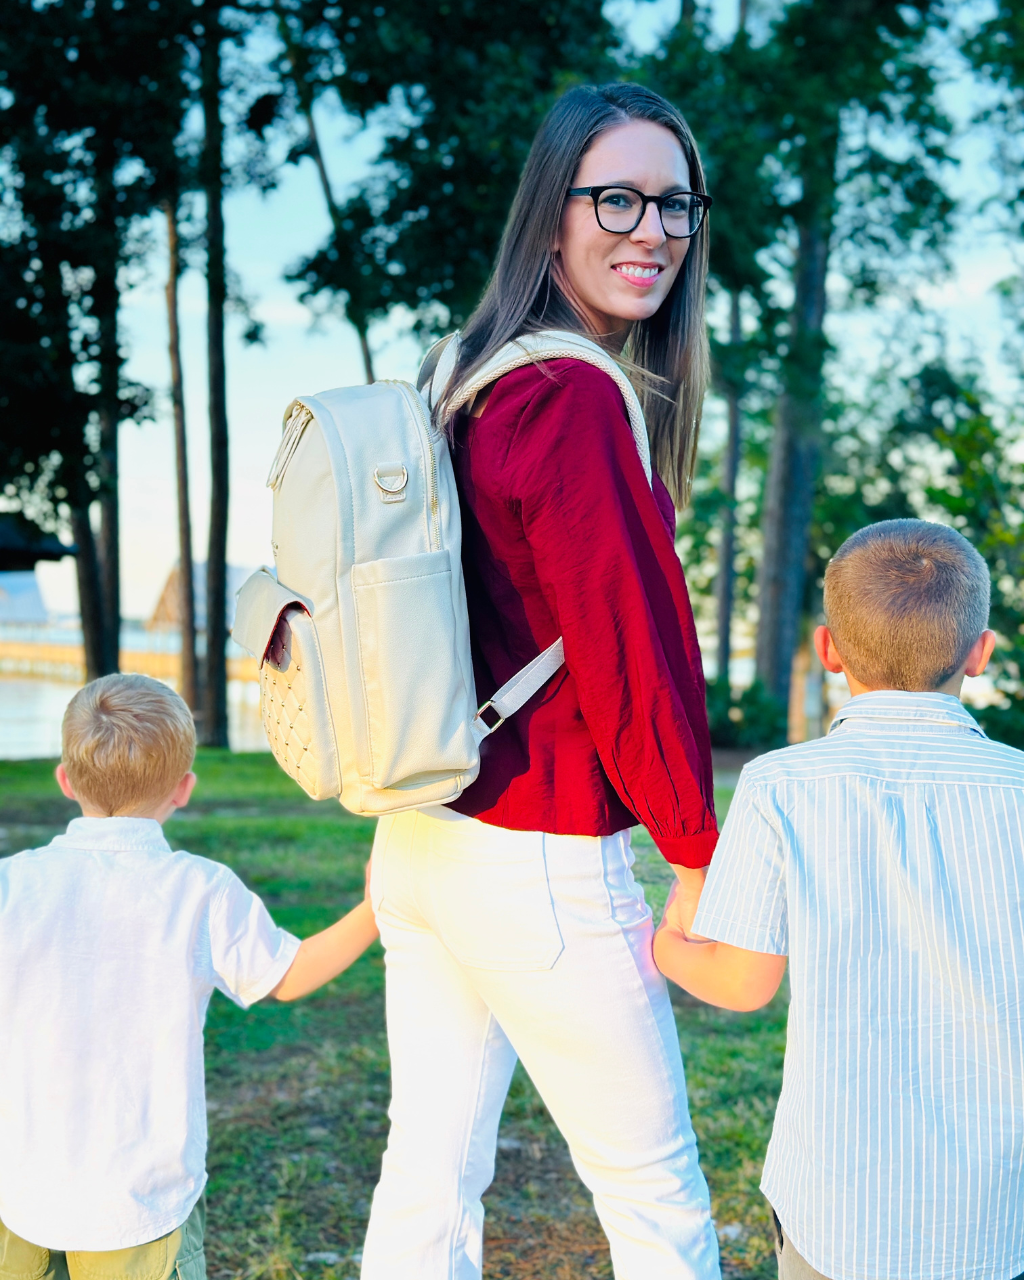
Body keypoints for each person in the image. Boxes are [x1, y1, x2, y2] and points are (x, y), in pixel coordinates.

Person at [362, 83, 720, 1280]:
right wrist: (696, 853)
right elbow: (629, 651)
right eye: (616, 198)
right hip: (541, 854)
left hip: (423, 833)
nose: (653, 229)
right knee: (655, 1193)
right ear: (550, 213)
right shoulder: (569, 396)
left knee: (428, 1172)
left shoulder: (463, 372)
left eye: (675, 203)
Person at [655, 518, 1024, 1280]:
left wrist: (667, 942)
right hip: (999, 1207)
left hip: (838, 1206)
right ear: (980, 653)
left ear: (828, 649)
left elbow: (742, 983)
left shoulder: (780, 786)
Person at [0, 673, 378, 1280]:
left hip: (22, 1195)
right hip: (142, 1207)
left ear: (65, 780)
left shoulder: (13, 884)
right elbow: (288, 974)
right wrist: (374, 910)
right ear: (184, 788)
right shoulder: (201, 890)